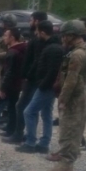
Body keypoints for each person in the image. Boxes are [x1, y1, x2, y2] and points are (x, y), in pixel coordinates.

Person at [45, 20, 86, 171]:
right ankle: (66, 158)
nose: (62, 38)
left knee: (69, 129)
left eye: (65, 35)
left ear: (71, 35)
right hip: (80, 93)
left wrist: (63, 98)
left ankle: (66, 166)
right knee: (73, 128)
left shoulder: (77, 54)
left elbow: (71, 79)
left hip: (74, 97)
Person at [17, 21, 63, 154]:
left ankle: (30, 142)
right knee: (46, 113)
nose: (36, 34)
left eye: (37, 32)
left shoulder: (53, 48)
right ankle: (44, 143)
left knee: (29, 112)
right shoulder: (53, 46)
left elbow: (52, 71)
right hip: (48, 86)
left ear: (43, 32)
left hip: (46, 87)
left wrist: (42, 84)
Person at [5, 11, 48, 144]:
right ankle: (29, 134)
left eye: (31, 20)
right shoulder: (34, 36)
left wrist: (28, 74)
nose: (29, 22)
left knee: (23, 107)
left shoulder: (40, 40)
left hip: (33, 78)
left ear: (37, 21)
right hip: (32, 77)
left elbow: (36, 60)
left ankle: (21, 135)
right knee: (31, 109)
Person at [0, 14, 18, 97]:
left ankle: (0, 104)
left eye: (4, 23)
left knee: (0, 85)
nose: (2, 24)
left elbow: (11, 52)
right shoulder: (4, 33)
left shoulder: (14, 36)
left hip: (4, 64)